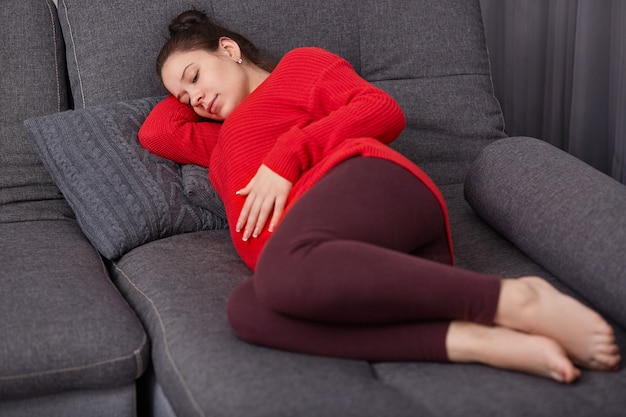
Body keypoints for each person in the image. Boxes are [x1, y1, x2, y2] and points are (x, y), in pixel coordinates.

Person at [139, 9, 621, 383]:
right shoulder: (218, 140)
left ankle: (515, 300)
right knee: (247, 310)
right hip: (324, 263)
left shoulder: (298, 68)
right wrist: (183, 83)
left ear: (228, 48)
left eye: (195, 77)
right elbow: (156, 132)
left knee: (280, 273)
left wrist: (288, 155)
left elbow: (381, 109)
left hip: (370, 185)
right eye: (184, 98)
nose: (193, 100)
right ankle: (472, 341)